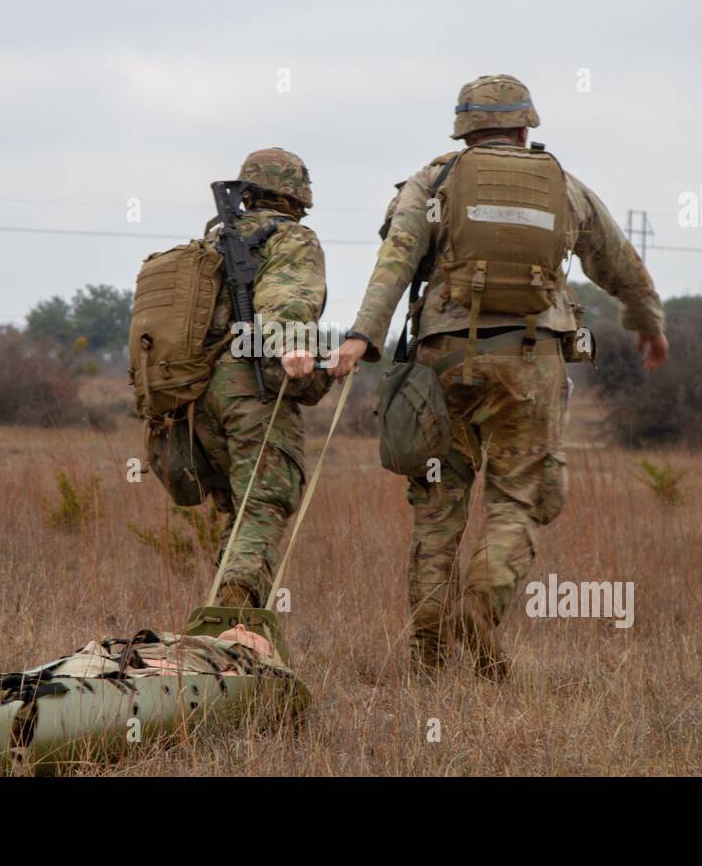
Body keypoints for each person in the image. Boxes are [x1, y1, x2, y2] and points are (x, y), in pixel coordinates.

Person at [329, 74, 669, 679]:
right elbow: (620, 263)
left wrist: (363, 336)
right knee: (518, 498)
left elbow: (396, 259)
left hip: (444, 363)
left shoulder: (433, 181)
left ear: (464, 129)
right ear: (523, 126)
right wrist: (647, 323)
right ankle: (480, 606)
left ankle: (429, 660)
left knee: (437, 508)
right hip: (531, 363)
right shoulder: (562, 186)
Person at [195, 147, 328, 610]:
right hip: (250, 391)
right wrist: (294, 346)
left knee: (239, 511)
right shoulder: (290, 238)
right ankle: (234, 616)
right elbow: (287, 296)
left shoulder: (208, 244)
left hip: (194, 398)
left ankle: (225, 627)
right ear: (294, 195)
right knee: (263, 506)